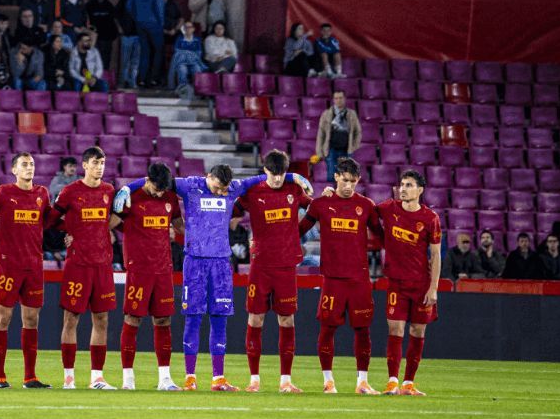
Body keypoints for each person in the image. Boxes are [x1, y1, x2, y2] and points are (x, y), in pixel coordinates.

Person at [115, 164, 313, 391]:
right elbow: (159, 178)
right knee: (194, 317)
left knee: (220, 318)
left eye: (224, 190)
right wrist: (128, 188)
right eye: (218, 188)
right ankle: (190, 377)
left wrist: (291, 176)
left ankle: (218, 378)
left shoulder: (233, 188)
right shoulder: (190, 186)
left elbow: (262, 176)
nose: (221, 192)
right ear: (208, 177)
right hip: (195, 261)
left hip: (221, 263)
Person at [298, 157, 382, 394]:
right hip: (333, 279)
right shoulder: (321, 204)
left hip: (359, 279)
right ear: (336, 177)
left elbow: (383, 237)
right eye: (345, 180)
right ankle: (328, 381)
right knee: (327, 329)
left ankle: (362, 382)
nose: (348, 186)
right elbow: (299, 230)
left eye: (353, 182)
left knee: (363, 330)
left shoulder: (366, 205)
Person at [235, 150, 312, 393]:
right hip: (261, 266)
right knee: (255, 318)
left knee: (287, 319)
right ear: (265, 170)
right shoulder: (253, 192)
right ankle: (254, 380)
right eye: (273, 174)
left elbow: (316, 210)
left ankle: (285, 381)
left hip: (286, 265)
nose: (277, 179)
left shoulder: (294, 189)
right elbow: (231, 209)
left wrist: (294, 234)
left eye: (281, 174)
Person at [46, 147, 118, 390]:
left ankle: (97, 377)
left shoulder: (109, 191)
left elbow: (118, 217)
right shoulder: (70, 192)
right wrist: (66, 233)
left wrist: (106, 232)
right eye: (96, 162)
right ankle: (69, 377)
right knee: (71, 319)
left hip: (102, 265)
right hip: (77, 265)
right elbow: (50, 220)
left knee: (102, 319)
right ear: (85, 165)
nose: (100, 166)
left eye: (103, 162)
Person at [0, 152, 53, 389]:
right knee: (3, 317)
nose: (29, 167)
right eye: (24, 164)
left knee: (31, 319)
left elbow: (48, 222)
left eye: (32, 164)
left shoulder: (42, 194)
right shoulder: (3, 193)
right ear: (14, 170)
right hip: (9, 265)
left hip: (33, 265)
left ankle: (30, 377)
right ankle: (0, 376)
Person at [115, 163, 184, 391]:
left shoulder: (170, 198)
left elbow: (178, 225)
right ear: (147, 180)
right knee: (132, 319)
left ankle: (165, 378)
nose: (160, 193)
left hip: (163, 268)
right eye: (156, 189)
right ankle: (128, 379)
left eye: (163, 190)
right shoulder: (131, 196)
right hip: (139, 269)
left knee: (163, 320)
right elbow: (109, 224)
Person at [375, 171, 442, 396]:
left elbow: (436, 255)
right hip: (396, 283)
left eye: (409, 185)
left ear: (420, 190)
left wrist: (434, 288)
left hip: (421, 284)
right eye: (402, 184)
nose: (403, 188)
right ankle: (392, 381)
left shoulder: (430, 218)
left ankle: (408, 383)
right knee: (395, 328)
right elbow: (365, 211)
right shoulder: (388, 208)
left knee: (417, 331)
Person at [127, 0, 165, 87]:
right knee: (158, 50)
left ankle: (142, 78)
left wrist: (136, 17)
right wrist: (161, 23)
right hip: (154, 23)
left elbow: (128, 5)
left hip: (140, 23)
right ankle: (154, 78)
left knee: (144, 51)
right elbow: (159, 7)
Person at [316, 91, 362, 181]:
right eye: (336, 98)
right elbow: (321, 134)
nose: (338, 100)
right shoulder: (326, 114)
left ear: (344, 99)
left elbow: (358, 132)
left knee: (347, 177)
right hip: (331, 151)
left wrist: (354, 146)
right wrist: (319, 152)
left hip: (347, 151)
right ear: (333, 100)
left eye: (340, 98)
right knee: (332, 176)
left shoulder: (351, 114)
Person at [85, 0, 118, 68]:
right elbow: (84, 19)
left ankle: (103, 79)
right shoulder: (89, 5)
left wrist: (113, 35)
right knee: (89, 59)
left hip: (106, 37)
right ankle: (89, 79)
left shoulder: (109, 6)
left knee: (105, 60)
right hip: (93, 37)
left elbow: (113, 21)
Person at [168, 22, 206, 91]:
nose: (188, 29)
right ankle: (183, 89)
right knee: (182, 70)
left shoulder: (197, 40)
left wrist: (186, 53)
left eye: (190, 27)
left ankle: (197, 89)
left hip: (194, 62)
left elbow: (199, 53)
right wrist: (189, 53)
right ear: (184, 29)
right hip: (182, 61)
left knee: (197, 69)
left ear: (193, 29)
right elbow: (177, 51)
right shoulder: (179, 39)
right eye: (186, 27)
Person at [117, 0, 140, 89]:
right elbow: (115, 16)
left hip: (139, 36)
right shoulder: (124, 1)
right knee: (125, 61)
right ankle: (125, 81)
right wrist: (119, 28)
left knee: (135, 61)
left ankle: (133, 81)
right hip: (126, 35)